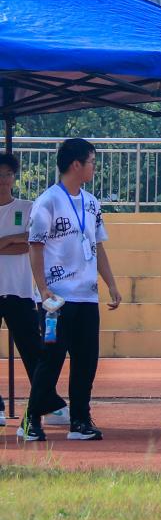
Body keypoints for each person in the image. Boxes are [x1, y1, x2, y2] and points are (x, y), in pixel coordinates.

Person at [20, 138, 122, 443]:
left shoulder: (91, 203)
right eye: (91, 162)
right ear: (76, 164)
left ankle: (80, 420)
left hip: (87, 295)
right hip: (57, 298)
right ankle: (31, 420)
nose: (94, 168)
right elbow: (35, 246)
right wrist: (43, 289)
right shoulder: (48, 201)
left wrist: (111, 283)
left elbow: (97, 245)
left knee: (86, 360)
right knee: (51, 358)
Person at [0, 154, 68, 429]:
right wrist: (13, 242)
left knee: (33, 351)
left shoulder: (28, 208)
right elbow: (23, 244)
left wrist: (7, 240)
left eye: (7, 174)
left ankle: (47, 404)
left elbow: (32, 242)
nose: (3, 180)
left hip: (20, 292)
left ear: (14, 177)